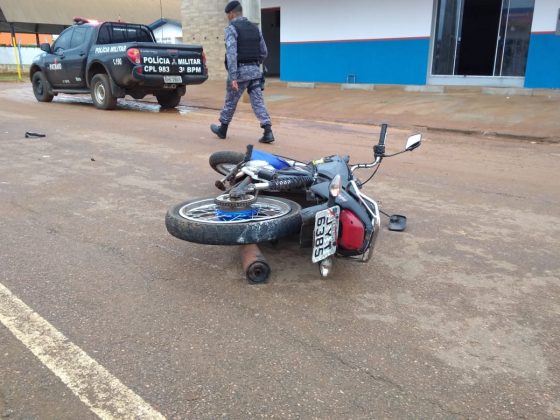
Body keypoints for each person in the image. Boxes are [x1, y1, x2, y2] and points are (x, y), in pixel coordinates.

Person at [210, 0, 275, 144]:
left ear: (232, 14)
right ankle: (268, 131)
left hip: (239, 73)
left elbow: (231, 53)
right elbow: (264, 52)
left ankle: (222, 129)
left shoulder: (231, 29)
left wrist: (233, 76)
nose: (228, 17)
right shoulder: (255, 28)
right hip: (255, 72)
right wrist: (255, 64)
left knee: (230, 101)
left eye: (228, 15)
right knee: (258, 102)